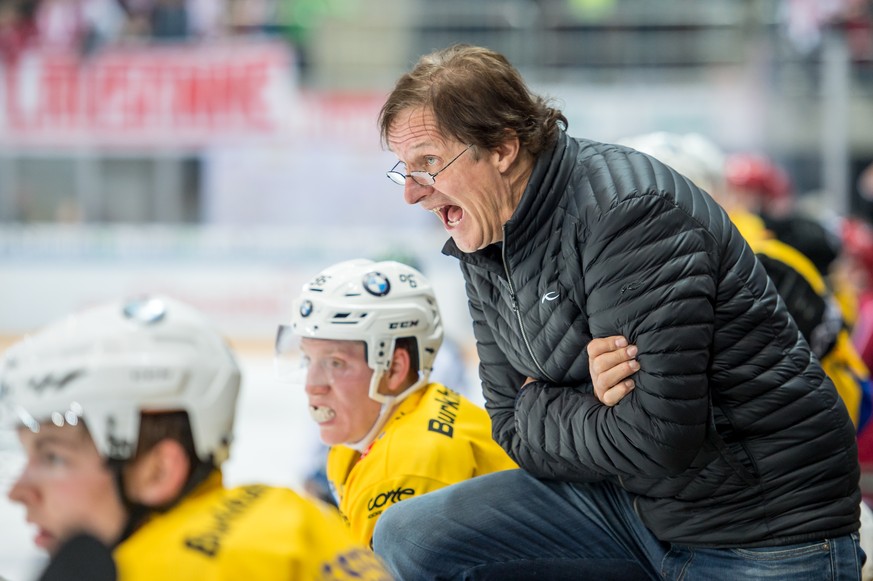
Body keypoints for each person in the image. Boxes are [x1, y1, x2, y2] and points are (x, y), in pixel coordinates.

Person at [372, 43, 863, 579]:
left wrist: (545, 399)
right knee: (411, 536)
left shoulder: (628, 213)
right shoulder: (484, 233)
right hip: (630, 504)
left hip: (757, 524)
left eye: (429, 163)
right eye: (406, 169)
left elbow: (657, 438)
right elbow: (510, 424)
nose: (413, 194)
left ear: (503, 148)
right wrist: (589, 395)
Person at [1, 295, 391, 580]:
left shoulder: (160, 571)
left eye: (53, 457)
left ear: (158, 471)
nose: (17, 491)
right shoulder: (283, 507)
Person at [276, 258, 517, 547]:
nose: (312, 385)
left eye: (335, 363)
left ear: (393, 368)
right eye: (308, 358)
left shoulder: (403, 468)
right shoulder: (412, 410)